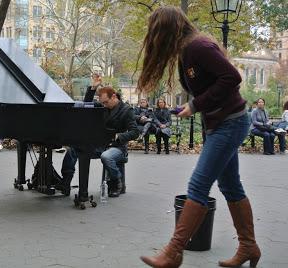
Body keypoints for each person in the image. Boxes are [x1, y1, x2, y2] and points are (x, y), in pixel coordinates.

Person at [138, 6, 260, 268]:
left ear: (167, 31)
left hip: (230, 123)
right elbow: (211, 84)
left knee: (198, 186)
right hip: (219, 125)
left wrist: (195, 105)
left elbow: (232, 76)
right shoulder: (187, 50)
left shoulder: (198, 46)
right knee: (230, 187)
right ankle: (249, 246)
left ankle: (173, 252)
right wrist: (191, 106)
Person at [59, 74, 139, 198]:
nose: (104, 105)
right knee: (72, 151)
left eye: (106, 102)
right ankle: (65, 182)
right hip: (99, 144)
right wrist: (93, 88)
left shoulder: (126, 110)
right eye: (102, 103)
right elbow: (87, 105)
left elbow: (135, 132)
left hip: (117, 147)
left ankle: (116, 182)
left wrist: (119, 136)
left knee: (106, 156)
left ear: (114, 96)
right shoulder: (103, 106)